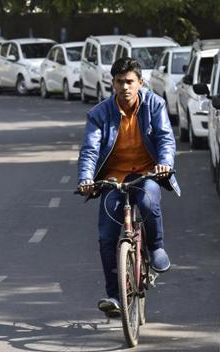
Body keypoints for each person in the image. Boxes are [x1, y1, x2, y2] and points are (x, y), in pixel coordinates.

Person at [77, 57, 180, 318]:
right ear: (112, 83)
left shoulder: (154, 105)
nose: (125, 86)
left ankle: (156, 246)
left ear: (140, 83)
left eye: (130, 81)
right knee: (107, 234)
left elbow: (165, 139)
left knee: (147, 202)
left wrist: (165, 165)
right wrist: (86, 179)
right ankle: (115, 295)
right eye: (120, 81)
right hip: (113, 180)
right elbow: (90, 150)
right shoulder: (99, 114)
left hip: (147, 175)